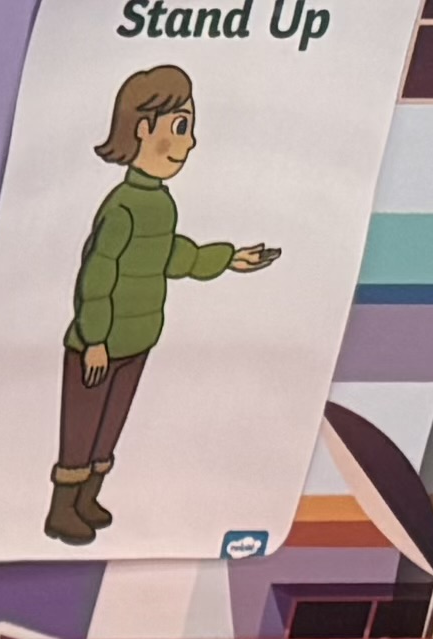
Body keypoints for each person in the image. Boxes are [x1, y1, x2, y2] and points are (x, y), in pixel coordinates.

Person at [52, 61, 278, 546]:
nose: (189, 142)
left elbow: (172, 254)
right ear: (142, 129)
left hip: (138, 341)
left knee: (110, 426)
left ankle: (89, 497)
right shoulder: (123, 206)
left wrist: (229, 258)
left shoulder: (160, 203)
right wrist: (95, 340)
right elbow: (96, 276)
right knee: (82, 427)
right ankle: (61, 509)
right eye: (180, 126)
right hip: (98, 348)